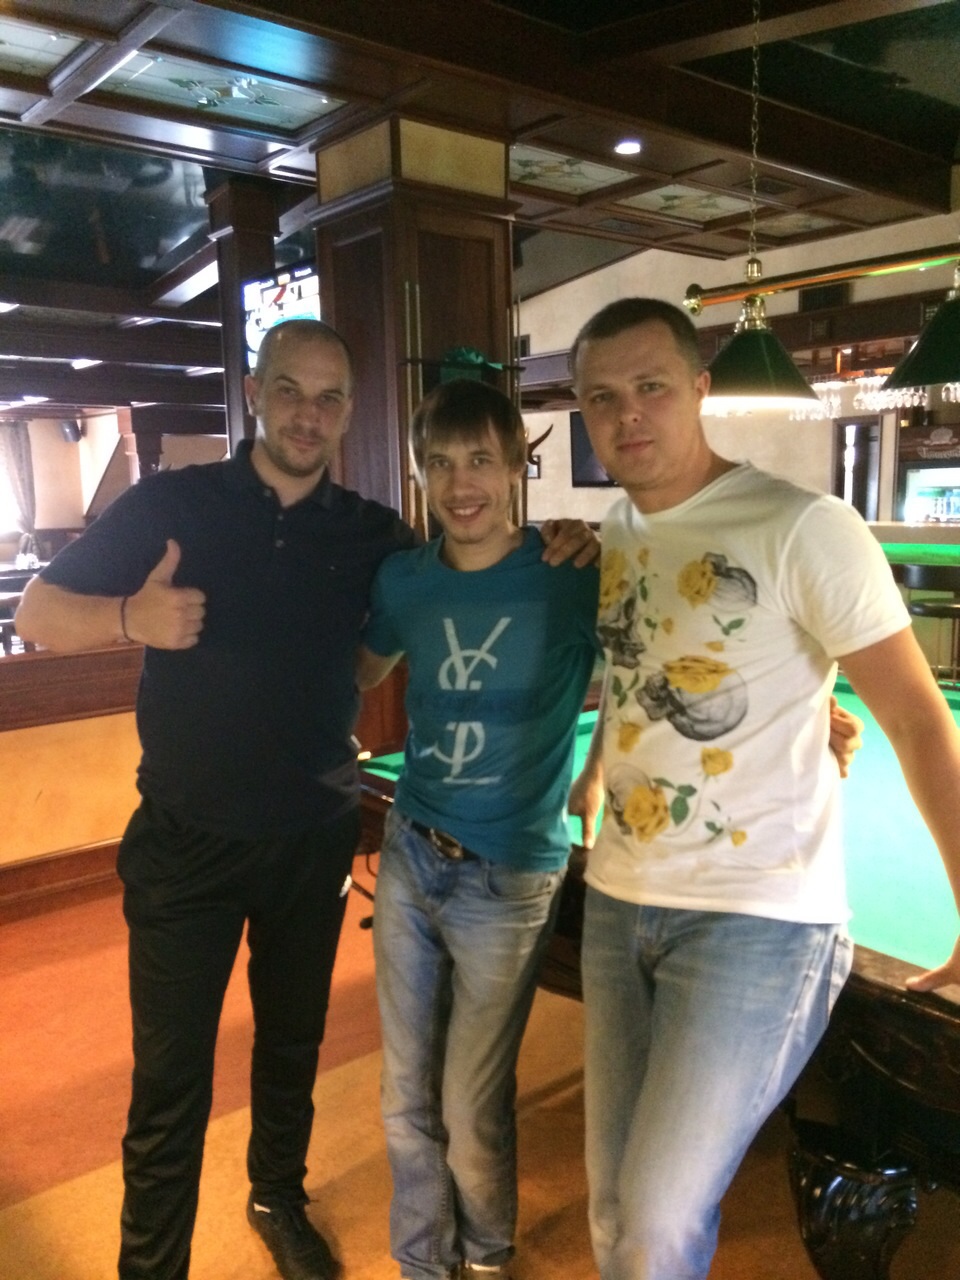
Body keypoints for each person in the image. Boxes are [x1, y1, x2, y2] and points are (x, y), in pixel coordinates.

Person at [564, 297, 960, 1280]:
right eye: (601, 396)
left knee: (656, 1221)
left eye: (651, 385)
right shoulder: (619, 527)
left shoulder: (804, 525)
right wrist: (597, 768)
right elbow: (639, 670)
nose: (627, 413)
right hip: (617, 903)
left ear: (700, 388)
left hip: (761, 920)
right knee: (613, 1209)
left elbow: (920, 720)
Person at [15, 319, 419, 1280]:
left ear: (348, 412)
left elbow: (398, 635)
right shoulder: (173, 504)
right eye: (290, 391)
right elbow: (36, 613)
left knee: (292, 1046)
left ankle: (277, 1196)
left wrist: (562, 547)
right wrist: (131, 617)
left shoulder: (375, 533)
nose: (308, 415)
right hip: (183, 843)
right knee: (170, 1078)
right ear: (253, 391)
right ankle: (150, 1266)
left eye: (329, 398)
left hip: (313, 838)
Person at [355, 378, 603, 1280]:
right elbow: (360, 668)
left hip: (511, 876)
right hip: (412, 854)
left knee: (468, 1103)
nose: (461, 484)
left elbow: (658, 662)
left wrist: (599, 768)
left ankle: (488, 1257)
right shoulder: (405, 580)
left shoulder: (572, 574)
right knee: (403, 1095)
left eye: (481, 461)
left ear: (514, 470)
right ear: (422, 475)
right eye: (441, 463)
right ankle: (424, 1264)